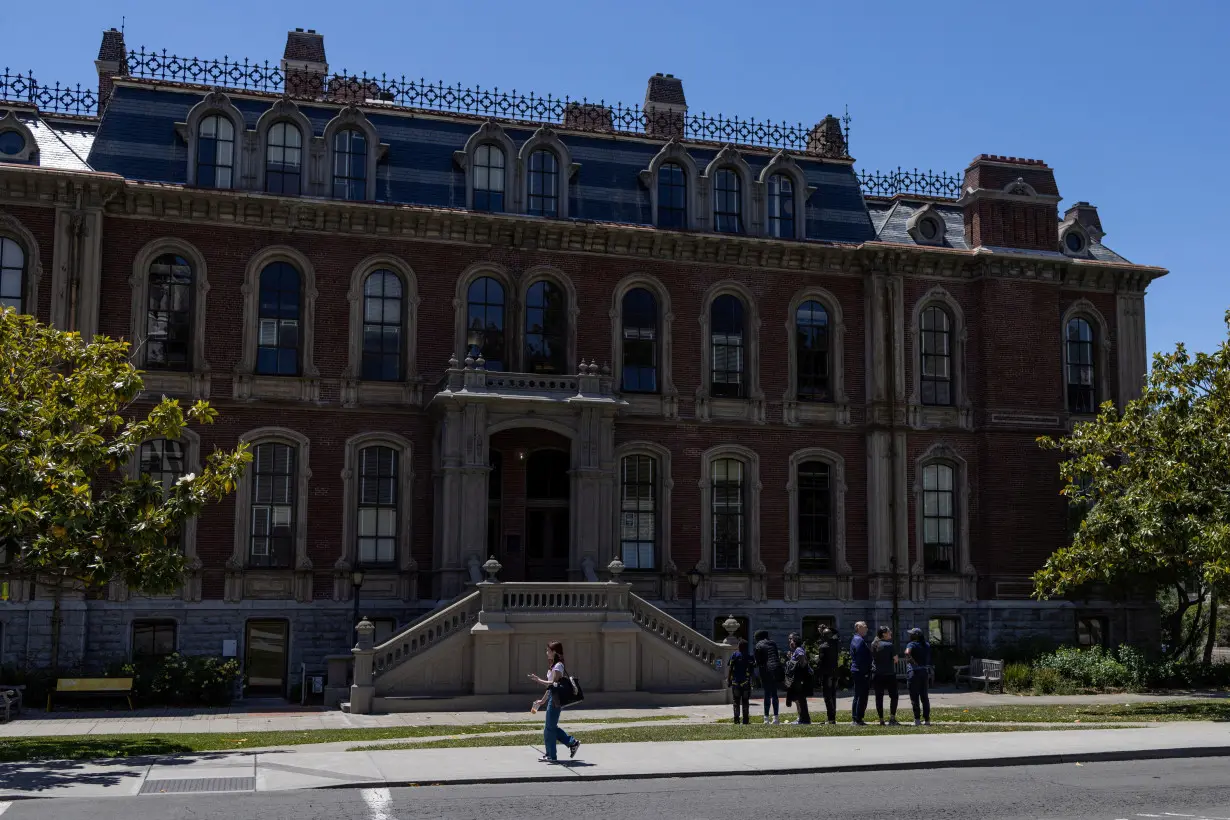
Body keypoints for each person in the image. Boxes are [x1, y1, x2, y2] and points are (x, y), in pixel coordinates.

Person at [528, 641, 581, 761]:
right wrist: (542, 701)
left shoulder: (559, 666)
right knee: (549, 727)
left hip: (556, 699)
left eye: (548, 651)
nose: (547, 653)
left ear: (554, 652)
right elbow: (550, 688)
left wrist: (538, 680)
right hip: (552, 697)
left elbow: (553, 684)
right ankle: (570, 744)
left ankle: (552, 755)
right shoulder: (553, 666)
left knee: (550, 728)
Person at [870, 625, 901, 726]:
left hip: (877, 674)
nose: (890, 633)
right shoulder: (889, 645)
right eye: (889, 632)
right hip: (889, 673)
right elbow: (896, 660)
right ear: (884, 634)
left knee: (879, 697)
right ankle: (892, 718)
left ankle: (881, 719)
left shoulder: (873, 644)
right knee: (894, 696)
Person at [905, 627, 932, 726]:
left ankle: (917, 719)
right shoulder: (927, 645)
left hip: (913, 672)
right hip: (924, 672)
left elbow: (907, 652)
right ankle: (927, 719)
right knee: (924, 696)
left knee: (914, 696)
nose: (910, 635)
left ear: (915, 635)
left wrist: (912, 661)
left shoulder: (911, 644)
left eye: (911, 634)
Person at [753, 630, 781, 725]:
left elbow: (757, 661)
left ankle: (766, 718)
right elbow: (777, 656)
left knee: (767, 694)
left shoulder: (758, 645)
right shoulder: (773, 643)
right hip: (776, 669)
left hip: (766, 670)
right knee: (774, 694)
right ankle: (776, 718)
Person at [783, 632, 812, 725]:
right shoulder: (796, 650)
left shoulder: (799, 649)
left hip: (799, 679)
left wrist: (801, 667)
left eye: (791, 640)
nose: (789, 642)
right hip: (797, 679)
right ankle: (801, 718)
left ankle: (804, 719)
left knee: (800, 699)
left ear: (795, 641)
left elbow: (802, 659)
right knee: (798, 699)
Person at [815, 624, 841, 725]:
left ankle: (830, 718)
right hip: (835, 673)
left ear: (823, 635)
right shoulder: (835, 643)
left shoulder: (823, 646)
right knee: (833, 695)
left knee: (827, 696)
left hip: (827, 674)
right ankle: (832, 718)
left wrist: (817, 661)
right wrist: (827, 629)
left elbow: (821, 660)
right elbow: (837, 634)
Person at [849, 621, 872, 726]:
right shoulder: (859, 641)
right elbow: (861, 658)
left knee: (857, 695)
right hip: (861, 671)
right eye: (864, 627)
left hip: (857, 670)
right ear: (858, 627)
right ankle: (858, 718)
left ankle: (855, 717)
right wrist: (866, 671)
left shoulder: (856, 639)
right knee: (862, 696)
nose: (866, 629)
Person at [728, 638, 754, 725]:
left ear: (740, 646)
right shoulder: (750, 656)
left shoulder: (734, 655)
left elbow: (730, 669)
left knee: (736, 701)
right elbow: (751, 670)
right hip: (746, 683)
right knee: (745, 701)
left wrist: (729, 680)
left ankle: (736, 720)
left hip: (735, 683)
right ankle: (745, 720)